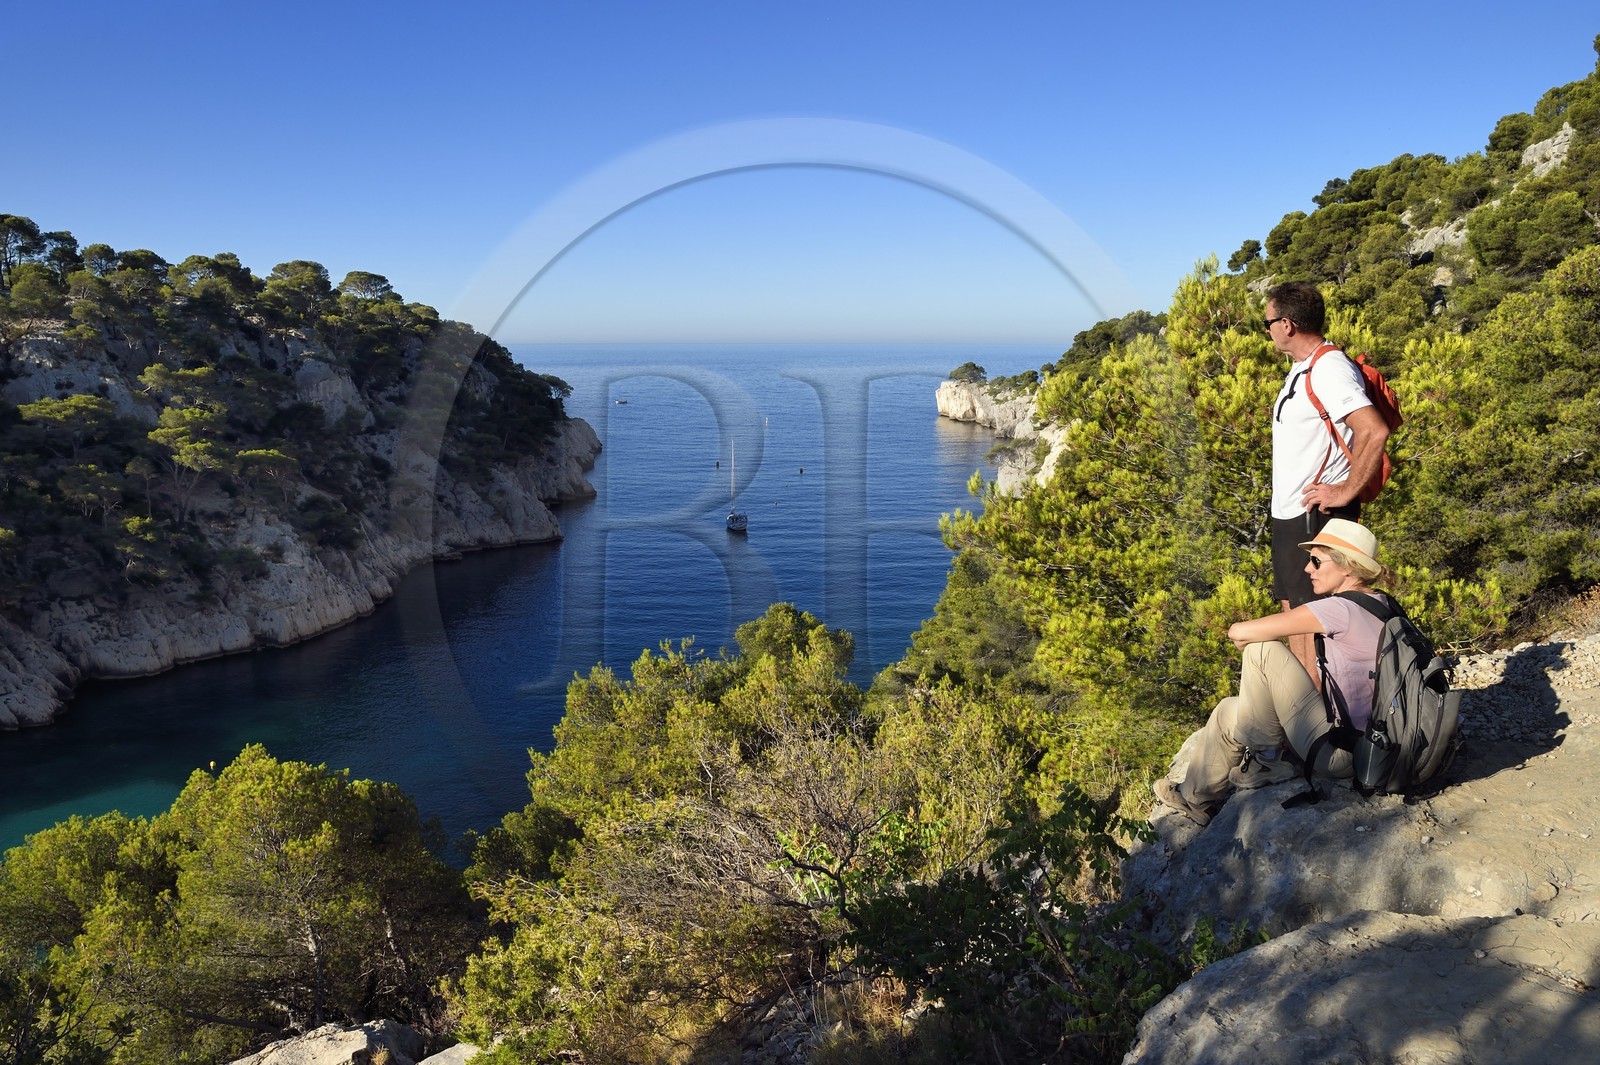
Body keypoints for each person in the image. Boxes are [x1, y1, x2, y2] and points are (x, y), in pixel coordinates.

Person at [1153, 519, 1395, 826]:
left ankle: (1267, 761)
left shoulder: (1339, 609)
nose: (1308, 569)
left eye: (1317, 561)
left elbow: (1238, 631)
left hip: (1343, 756)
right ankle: (1197, 798)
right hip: (1375, 745)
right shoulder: (1382, 604)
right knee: (1230, 710)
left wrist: (1248, 646)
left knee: (1261, 649)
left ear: (1347, 567)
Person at [1264, 282, 1391, 681]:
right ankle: (1311, 719)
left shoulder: (1330, 368)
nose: (1266, 330)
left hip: (1314, 516)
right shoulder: (1304, 368)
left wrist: (1347, 490)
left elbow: (1374, 431)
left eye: (1267, 322)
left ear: (1287, 324)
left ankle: (1325, 728)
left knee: (1312, 620)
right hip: (1291, 515)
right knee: (1294, 612)